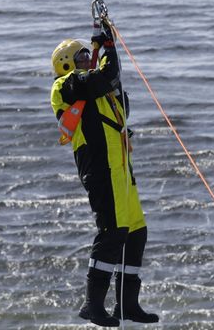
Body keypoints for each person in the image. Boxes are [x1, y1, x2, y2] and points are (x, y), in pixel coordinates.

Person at [50, 22, 159, 327]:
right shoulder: (66, 86)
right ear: (66, 65)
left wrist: (108, 43)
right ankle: (93, 305)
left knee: (135, 232)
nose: (87, 59)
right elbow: (103, 77)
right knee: (111, 232)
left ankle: (127, 305)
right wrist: (108, 48)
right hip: (101, 167)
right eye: (80, 57)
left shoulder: (97, 85)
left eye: (88, 54)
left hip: (121, 167)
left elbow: (113, 84)